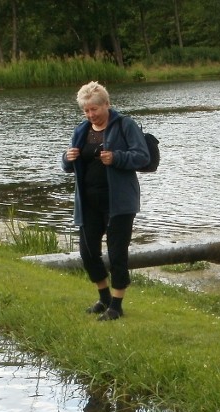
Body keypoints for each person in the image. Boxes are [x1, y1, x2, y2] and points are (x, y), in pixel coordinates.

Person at [61, 81, 150, 321]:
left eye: (95, 109)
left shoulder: (125, 125)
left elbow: (143, 156)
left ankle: (117, 305)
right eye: (86, 110)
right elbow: (69, 166)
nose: (91, 114)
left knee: (116, 253)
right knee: (88, 251)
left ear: (107, 105)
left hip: (119, 202)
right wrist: (67, 159)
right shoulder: (81, 130)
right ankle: (104, 298)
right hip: (88, 202)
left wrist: (117, 157)